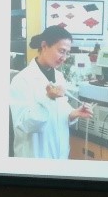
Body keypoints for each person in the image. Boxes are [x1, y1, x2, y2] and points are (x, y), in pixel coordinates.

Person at [9, 26, 93, 159]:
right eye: (61, 51)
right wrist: (48, 97)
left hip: (60, 155)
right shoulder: (22, 80)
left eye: (67, 53)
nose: (64, 57)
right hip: (36, 158)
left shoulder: (59, 77)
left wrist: (72, 114)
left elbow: (60, 112)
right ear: (44, 46)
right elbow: (25, 125)